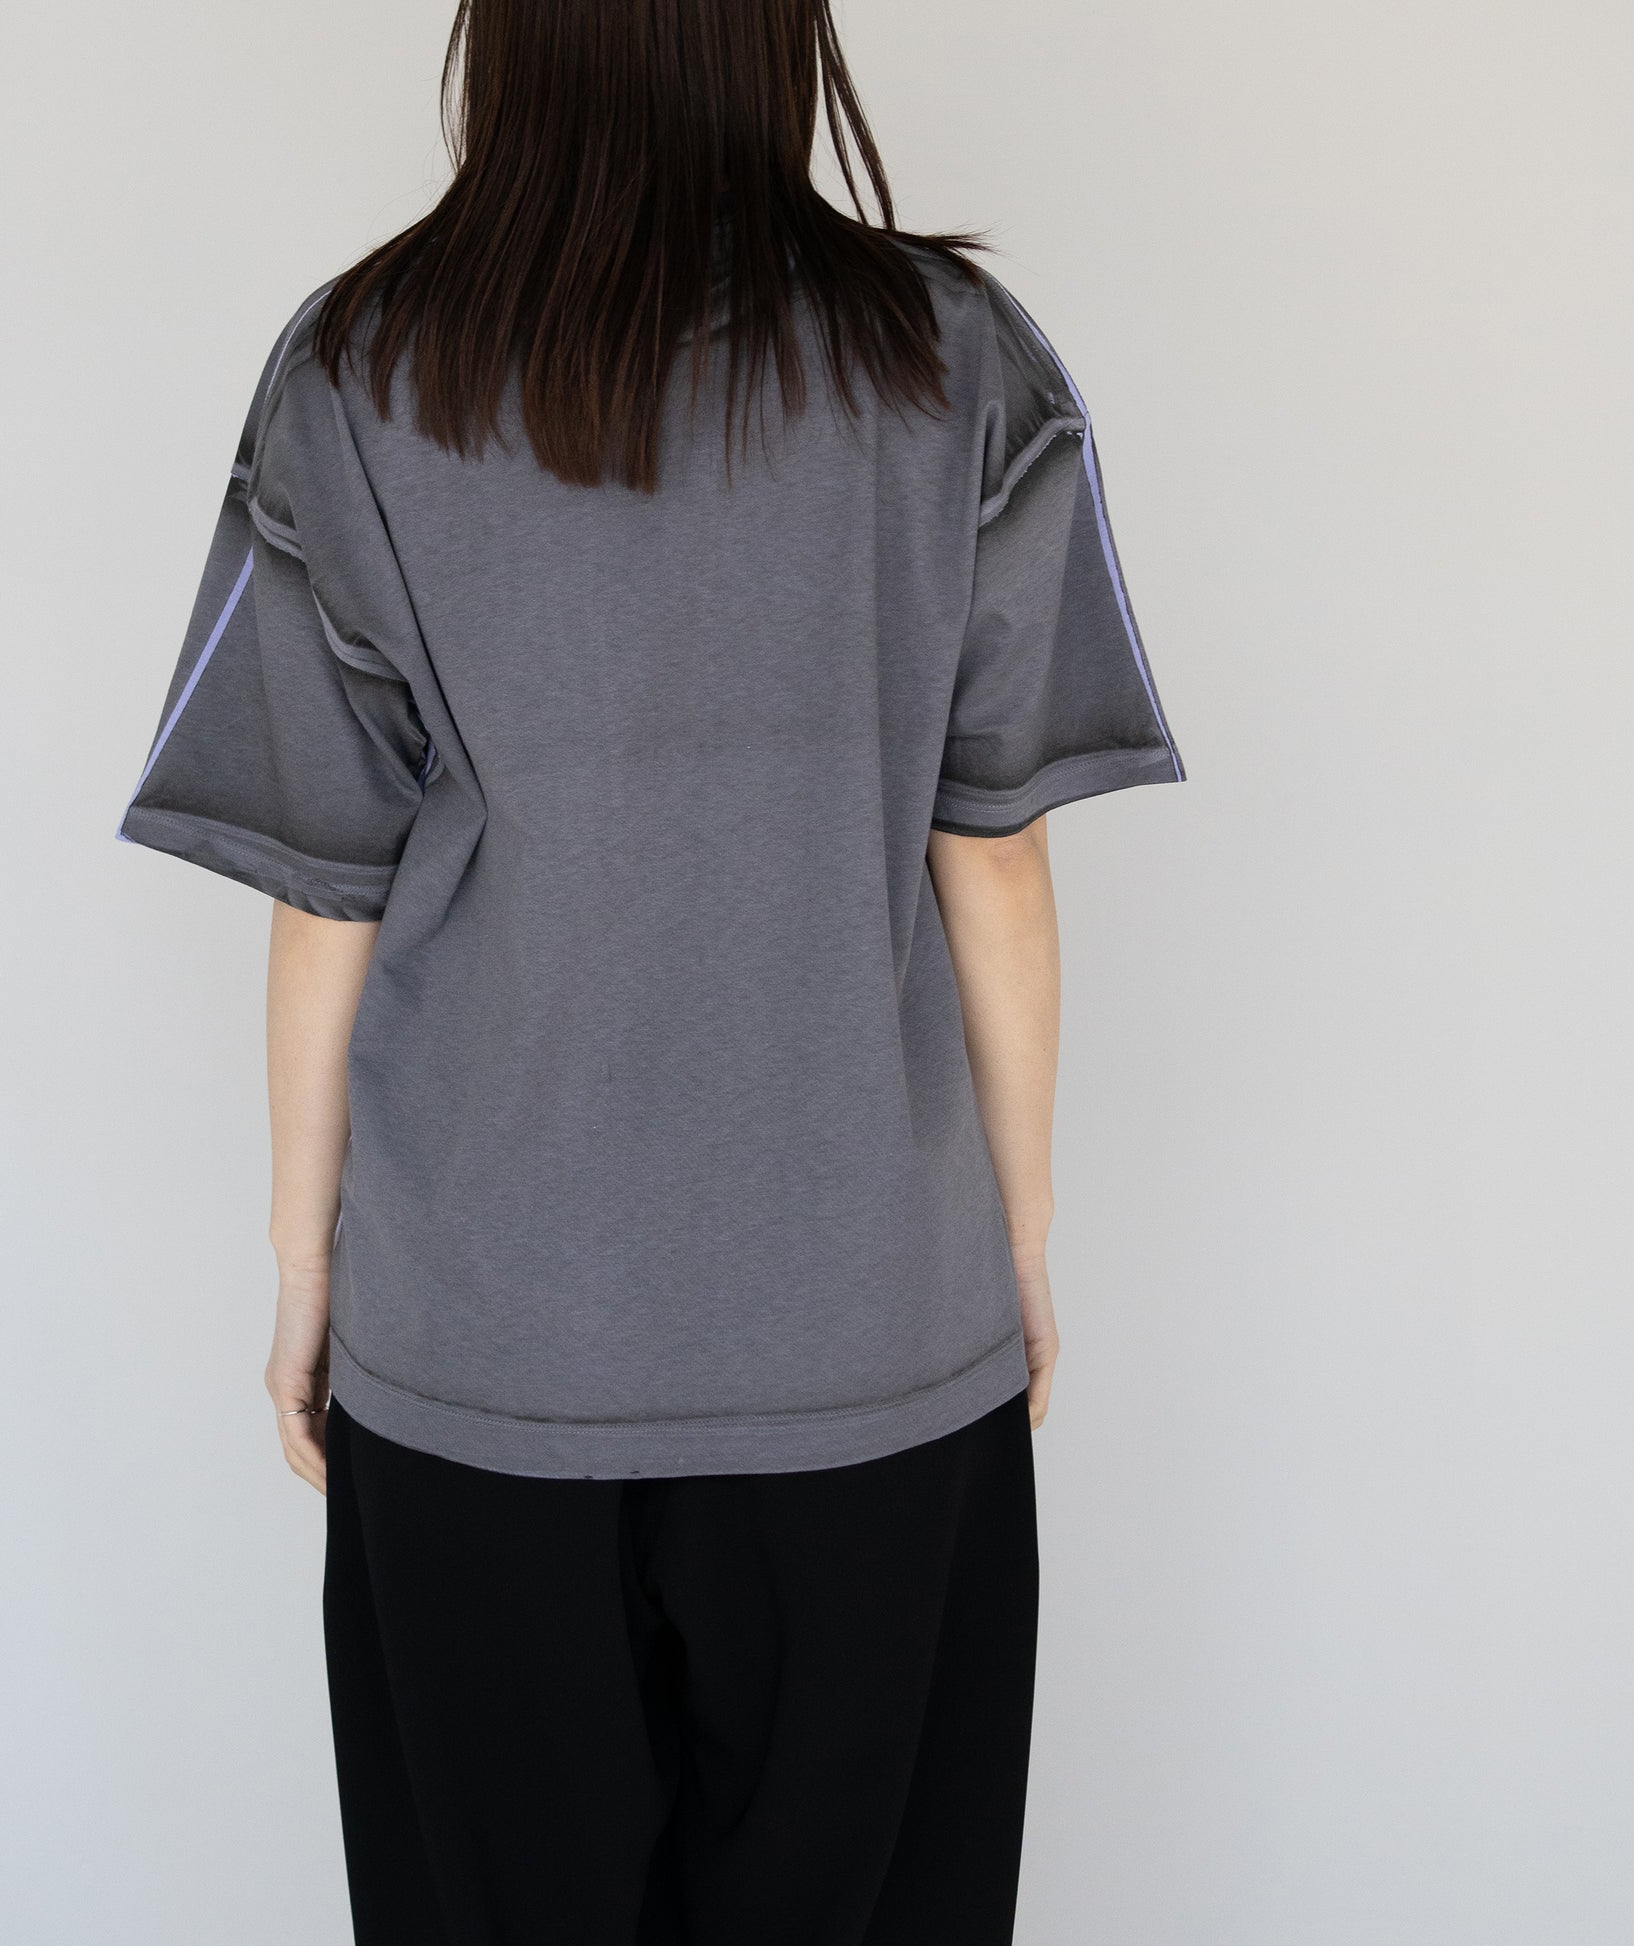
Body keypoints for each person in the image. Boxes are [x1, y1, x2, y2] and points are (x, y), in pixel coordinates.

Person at [118, 1, 1183, 1937]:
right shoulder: (957, 362)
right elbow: (998, 856)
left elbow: (326, 887)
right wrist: (1015, 1238)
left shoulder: (357, 369)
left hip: (480, 1351)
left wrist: (305, 1265)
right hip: (871, 1343)